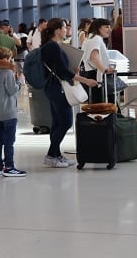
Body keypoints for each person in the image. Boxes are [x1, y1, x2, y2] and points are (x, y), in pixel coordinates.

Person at [42, 18, 97, 168]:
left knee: (57, 122)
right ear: (57, 30)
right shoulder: (53, 47)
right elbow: (63, 72)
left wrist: (74, 71)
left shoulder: (52, 46)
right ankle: (52, 155)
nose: (67, 30)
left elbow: (61, 69)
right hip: (57, 88)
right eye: (65, 27)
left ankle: (55, 154)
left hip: (52, 87)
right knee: (65, 122)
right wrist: (85, 80)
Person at [0, 46, 26, 177]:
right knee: (10, 141)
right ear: (5, 59)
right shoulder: (7, 73)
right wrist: (19, 82)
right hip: (9, 111)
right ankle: (9, 166)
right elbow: (12, 90)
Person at [81, 18, 115, 104]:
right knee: (103, 107)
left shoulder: (91, 38)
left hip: (92, 74)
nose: (109, 30)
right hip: (96, 75)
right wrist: (105, 69)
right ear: (98, 28)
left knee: (98, 105)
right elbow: (94, 57)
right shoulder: (96, 39)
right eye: (106, 27)